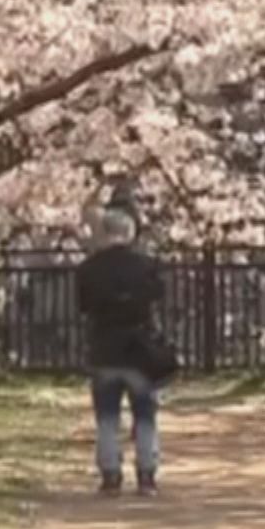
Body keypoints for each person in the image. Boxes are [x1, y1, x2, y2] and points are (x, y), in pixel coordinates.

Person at [75, 206, 169, 496]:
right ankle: (146, 474)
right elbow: (158, 297)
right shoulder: (147, 266)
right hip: (139, 349)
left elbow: (83, 307)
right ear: (130, 233)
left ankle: (110, 475)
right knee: (145, 415)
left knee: (107, 416)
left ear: (103, 232)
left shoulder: (88, 269)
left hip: (104, 347)